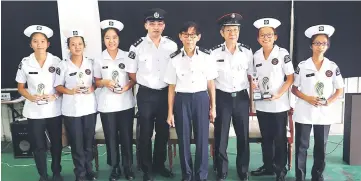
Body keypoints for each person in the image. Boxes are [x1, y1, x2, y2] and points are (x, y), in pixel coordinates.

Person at [123, 8, 177, 181]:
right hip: (146, 95)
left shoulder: (171, 45)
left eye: (159, 23)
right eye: (152, 23)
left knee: (163, 133)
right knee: (145, 134)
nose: (156, 27)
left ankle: (159, 165)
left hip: (165, 94)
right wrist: (145, 82)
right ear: (145, 25)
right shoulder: (137, 46)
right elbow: (131, 73)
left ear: (164, 25)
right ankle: (146, 169)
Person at [164, 21, 218, 181]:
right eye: (186, 35)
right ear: (181, 37)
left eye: (193, 36)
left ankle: (201, 175)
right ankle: (187, 175)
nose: (189, 39)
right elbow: (171, 87)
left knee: (202, 138)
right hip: (182, 100)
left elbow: (211, 83)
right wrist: (170, 112)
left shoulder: (207, 57)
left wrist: (213, 107)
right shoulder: (174, 59)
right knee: (184, 139)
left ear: (198, 37)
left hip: (201, 99)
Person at [291, 24, 344, 181]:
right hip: (304, 112)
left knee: (321, 147)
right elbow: (294, 89)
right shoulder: (302, 66)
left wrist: (329, 101)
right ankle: (300, 177)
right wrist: (307, 98)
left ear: (327, 46)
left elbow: (340, 89)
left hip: (323, 114)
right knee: (301, 147)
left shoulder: (332, 67)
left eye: (324, 43)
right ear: (311, 45)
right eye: (317, 43)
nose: (320, 46)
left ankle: (317, 176)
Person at [15, 25, 63, 181]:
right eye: (35, 41)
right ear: (31, 44)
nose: (39, 44)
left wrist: (55, 95)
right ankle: (43, 175)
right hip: (34, 111)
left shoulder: (56, 61)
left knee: (56, 144)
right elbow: (20, 87)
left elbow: (62, 85)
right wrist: (30, 97)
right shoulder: (25, 63)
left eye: (43, 41)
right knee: (38, 146)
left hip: (54, 110)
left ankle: (56, 173)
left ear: (48, 44)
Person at [210, 13, 254, 181]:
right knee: (221, 137)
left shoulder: (247, 52)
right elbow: (211, 80)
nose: (232, 33)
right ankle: (221, 171)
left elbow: (251, 77)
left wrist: (252, 102)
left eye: (235, 29)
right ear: (222, 33)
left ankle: (243, 170)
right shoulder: (214, 53)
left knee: (243, 137)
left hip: (241, 98)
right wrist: (212, 104)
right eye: (229, 30)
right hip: (222, 98)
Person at [250, 18, 295, 181]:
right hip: (262, 104)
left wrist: (279, 94)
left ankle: (280, 169)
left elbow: (290, 78)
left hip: (279, 105)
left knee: (279, 139)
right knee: (266, 138)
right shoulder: (256, 55)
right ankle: (267, 166)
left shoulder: (282, 54)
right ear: (258, 38)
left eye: (269, 35)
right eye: (262, 35)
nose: (265, 38)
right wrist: (255, 90)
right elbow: (254, 78)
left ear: (275, 37)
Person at [94, 19, 136, 181]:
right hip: (107, 106)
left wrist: (127, 87)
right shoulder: (98, 59)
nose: (111, 41)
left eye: (114, 38)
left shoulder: (127, 56)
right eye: (107, 38)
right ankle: (115, 168)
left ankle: (128, 168)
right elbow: (96, 82)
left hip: (125, 104)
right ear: (103, 40)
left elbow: (134, 79)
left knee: (126, 138)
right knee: (111, 139)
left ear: (119, 39)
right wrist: (105, 82)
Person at [54, 29, 97, 181]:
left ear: (84, 46)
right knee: (76, 143)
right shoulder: (63, 65)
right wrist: (69, 91)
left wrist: (92, 88)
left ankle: (89, 170)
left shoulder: (91, 63)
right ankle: (80, 174)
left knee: (88, 142)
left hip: (89, 108)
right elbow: (58, 86)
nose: (77, 47)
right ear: (68, 47)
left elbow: (96, 83)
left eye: (79, 44)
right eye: (73, 44)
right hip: (71, 110)